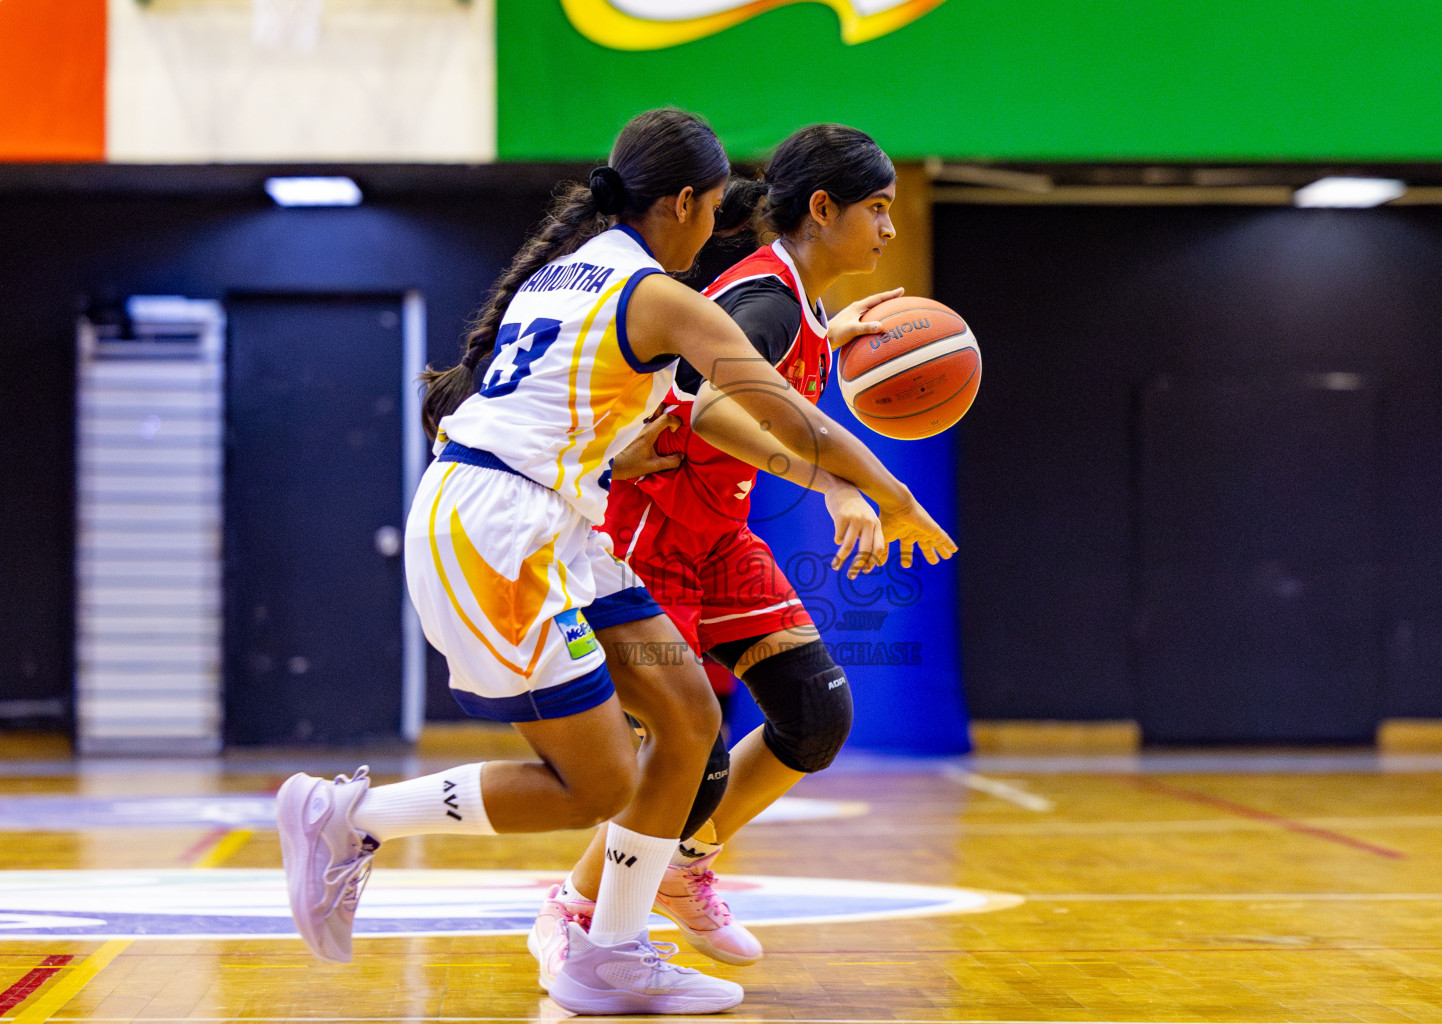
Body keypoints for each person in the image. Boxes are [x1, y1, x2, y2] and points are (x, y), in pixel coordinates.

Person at [273, 109, 953, 1016]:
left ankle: (610, 954)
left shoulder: (570, 269)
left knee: (685, 722)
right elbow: (792, 418)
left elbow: (575, 397)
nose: (720, 228)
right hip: (499, 528)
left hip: (551, 520)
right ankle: (346, 817)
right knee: (600, 782)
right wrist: (886, 490)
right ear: (681, 204)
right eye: (715, 209)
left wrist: (613, 448)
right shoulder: (664, 297)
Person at [529, 124, 945, 974]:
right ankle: (575, 909)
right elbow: (701, 408)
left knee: (815, 715)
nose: (890, 230)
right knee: (692, 751)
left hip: (719, 530)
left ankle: (681, 869)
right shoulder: (767, 303)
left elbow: (773, 364)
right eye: (878, 209)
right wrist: (832, 483)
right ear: (821, 210)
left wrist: (836, 333)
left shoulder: (798, 302)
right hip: (653, 530)